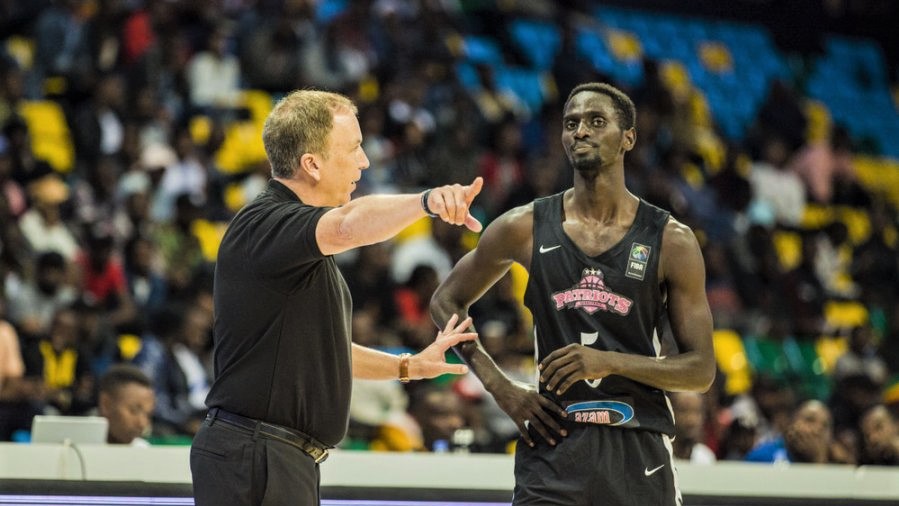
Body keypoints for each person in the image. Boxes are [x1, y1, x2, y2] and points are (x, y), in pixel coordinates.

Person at [189, 89, 483, 506]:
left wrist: (408, 366)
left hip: (272, 454)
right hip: (255, 453)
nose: (365, 161)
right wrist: (427, 201)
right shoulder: (266, 222)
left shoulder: (293, 248)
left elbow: (322, 350)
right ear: (312, 164)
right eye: (354, 147)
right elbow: (348, 224)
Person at [431, 82, 715, 505]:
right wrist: (500, 386)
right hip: (553, 443)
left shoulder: (671, 239)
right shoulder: (523, 226)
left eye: (596, 121)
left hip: (638, 444)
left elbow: (700, 370)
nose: (580, 131)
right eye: (571, 123)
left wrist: (608, 361)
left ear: (628, 138)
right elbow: (444, 301)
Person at [96, 364, 156, 446]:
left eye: (148, 415)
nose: (142, 424)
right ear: (106, 404)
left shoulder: (143, 449)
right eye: (134, 411)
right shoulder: (79, 445)